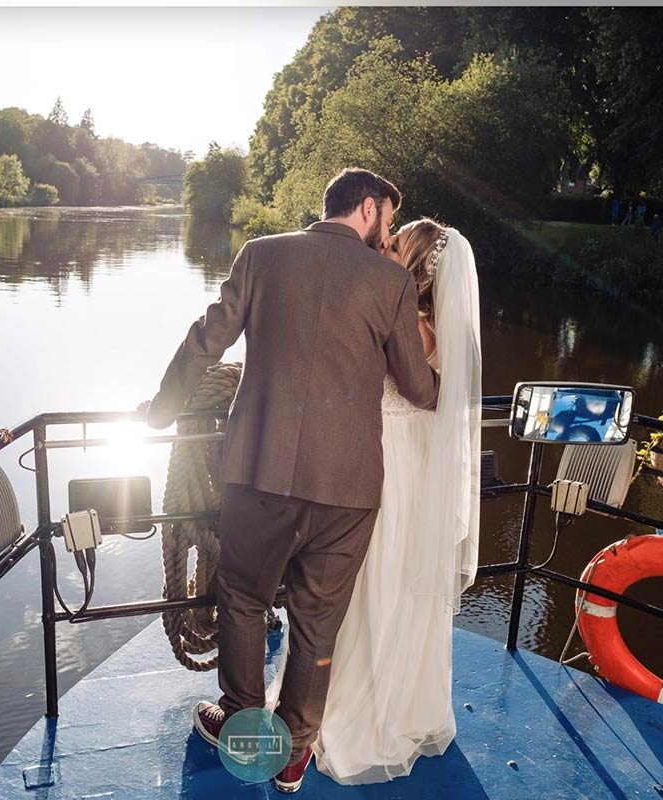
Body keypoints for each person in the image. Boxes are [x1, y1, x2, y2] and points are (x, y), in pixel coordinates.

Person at [143, 168, 439, 793]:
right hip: (349, 490)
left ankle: (242, 721)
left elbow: (205, 341)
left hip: (259, 476)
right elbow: (417, 388)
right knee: (316, 621)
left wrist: (161, 410)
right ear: (368, 207)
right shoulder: (392, 282)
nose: (389, 228)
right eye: (389, 215)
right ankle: (296, 750)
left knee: (244, 600)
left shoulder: (261, 255)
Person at [267, 219, 482, 784]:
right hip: (413, 465)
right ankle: (404, 707)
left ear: (407, 262)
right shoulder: (437, 325)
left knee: (353, 585)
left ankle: (335, 715)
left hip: (377, 458)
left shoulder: (399, 318)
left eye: (390, 244)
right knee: (395, 583)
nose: (379, 247)